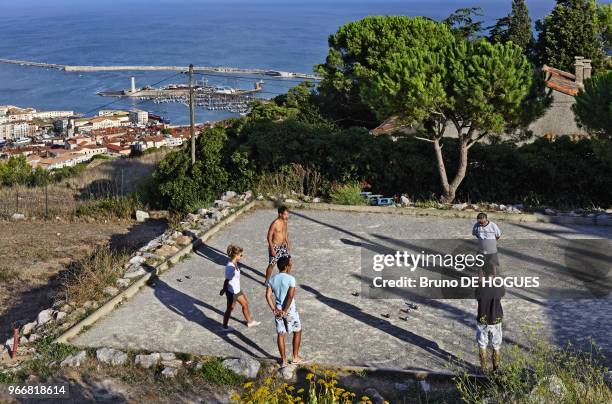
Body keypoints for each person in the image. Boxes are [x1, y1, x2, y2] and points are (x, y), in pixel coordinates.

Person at [265, 256, 306, 368]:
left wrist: (274, 309)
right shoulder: (291, 279)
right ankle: (295, 357)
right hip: (289, 310)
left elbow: (268, 296)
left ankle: (283, 360)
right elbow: (290, 296)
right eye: (290, 264)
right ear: (287, 266)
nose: (291, 265)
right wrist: (285, 310)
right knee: (297, 331)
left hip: (277, 310)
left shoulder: (272, 279)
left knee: (281, 334)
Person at [220, 244, 260, 331]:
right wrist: (224, 289)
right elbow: (227, 280)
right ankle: (226, 326)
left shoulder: (234, 264)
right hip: (233, 292)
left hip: (236, 290)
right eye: (241, 255)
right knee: (233, 308)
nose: (242, 256)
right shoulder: (231, 267)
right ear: (236, 255)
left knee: (235, 307)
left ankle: (248, 322)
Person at [475, 266, 505, 372]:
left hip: (483, 319)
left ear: (482, 274)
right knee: (496, 346)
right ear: (494, 274)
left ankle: (483, 370)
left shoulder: (480, 287)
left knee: (482, 345)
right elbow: (502, 294)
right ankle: (495, 370)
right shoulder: (498, 286)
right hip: (496, 319)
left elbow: (477, 297)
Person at [265, 205, 291, 285]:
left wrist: (288, 242)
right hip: (275, 247)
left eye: (287, 214)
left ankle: (286, 277)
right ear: (280, 214)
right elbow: (269, 236)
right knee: (272, 265)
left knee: (289, 263)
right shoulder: (275, 224)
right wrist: (272, 248)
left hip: (283, 246)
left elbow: (285, 233)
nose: (287, 216)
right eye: (285, 214)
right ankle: (267, 280)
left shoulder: (285, 221)